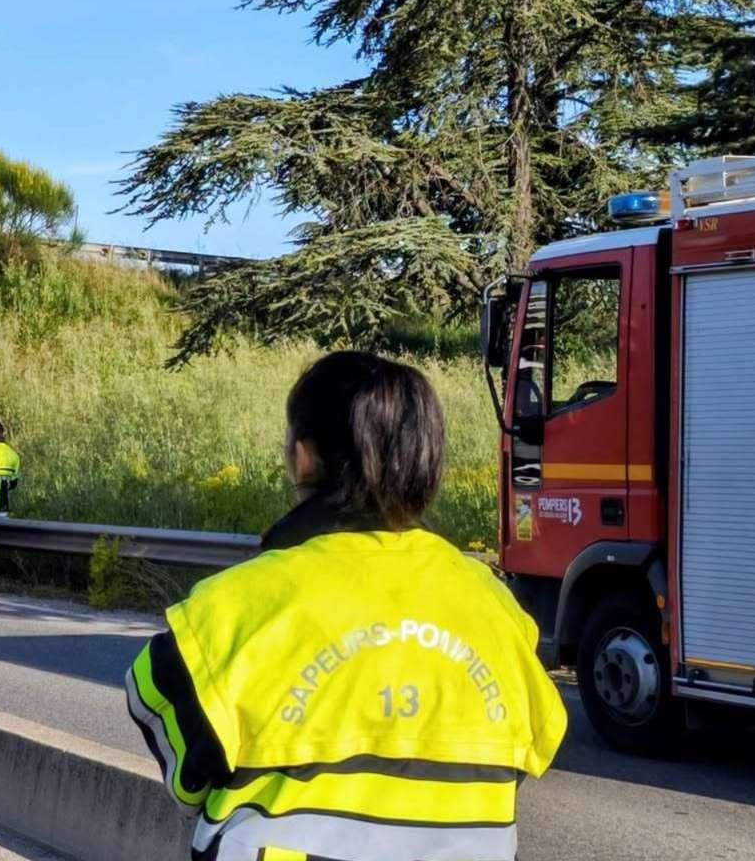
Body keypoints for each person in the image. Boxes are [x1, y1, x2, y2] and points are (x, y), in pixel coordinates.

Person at [124, 351, 565, 861]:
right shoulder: (498, 610)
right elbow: (533, 751)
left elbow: (185, 775)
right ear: (424, 459)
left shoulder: (231, 606)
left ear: (303, 456)